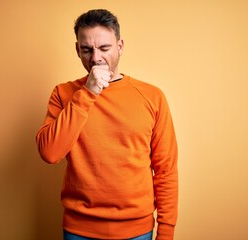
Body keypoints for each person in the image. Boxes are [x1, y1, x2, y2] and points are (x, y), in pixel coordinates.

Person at [36, 9, 178, 240]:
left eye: (104, 48)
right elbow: (50, 153)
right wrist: (88, 92)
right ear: (77, 50)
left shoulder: (152, 97)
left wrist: (166, 232)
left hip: (137, 231)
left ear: (120, 46)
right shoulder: (63, 94)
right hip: (78, 230)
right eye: (87, 49)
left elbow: (166, 170)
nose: (95, 58)